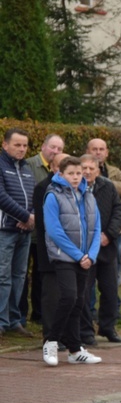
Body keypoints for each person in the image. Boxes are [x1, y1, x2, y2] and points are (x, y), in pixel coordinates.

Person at [42, 156, 102, 366]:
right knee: (68, 297)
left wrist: (91, 255)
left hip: (85, 258)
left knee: (79, 302)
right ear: (61, 174)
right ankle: (50, 341)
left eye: (78, 173)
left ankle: (75, 350)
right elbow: (54, 230)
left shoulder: (88, 195)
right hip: (64, 256)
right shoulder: (53, 195)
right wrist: (78, 255)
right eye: (71, 174)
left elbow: (96, 228)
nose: (76, 177)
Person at [79, 154, 121, 343]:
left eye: (92, 168)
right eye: (84, 168)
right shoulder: (74, 188)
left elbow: (118, 210)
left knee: (110, 290)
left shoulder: (108, 186)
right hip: (85, 249)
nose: (88, 172)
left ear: (98, 170)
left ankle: (107, 327)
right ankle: (86, 331)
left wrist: (109, 234)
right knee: (84, 291)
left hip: (107, 248)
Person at [22, 133, 64, 324]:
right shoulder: (30, 165)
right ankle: (20, 315)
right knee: (22, 275)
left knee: (41, 275)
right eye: (52, 147)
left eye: (59, 149)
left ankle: (38, 314)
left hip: (45, 235)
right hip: (27, 229)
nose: (55, 151)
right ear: (43, 146)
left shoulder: (62, 169)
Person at [0, 128, 36, 338]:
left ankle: (15, 320)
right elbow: (2, 197)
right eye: (17, 145)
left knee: (19, 277)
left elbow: (33, 197)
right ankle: (1, 321)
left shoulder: (27, 169)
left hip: (24, 232)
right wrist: (25, 216)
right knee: (2, 277)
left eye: (25, 145)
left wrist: (30, 216)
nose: (22, 149)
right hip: (5, 231)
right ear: (5, 145)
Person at [34, 152, 69, 343]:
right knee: (52, 297)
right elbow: (45, 224)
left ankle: (66, 335)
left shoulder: (76, 190)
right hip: (51, 252)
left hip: (72, 254)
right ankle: (50, 337)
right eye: (64, 166)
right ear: (54, 168)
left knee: (69, 296)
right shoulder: (43, 189)